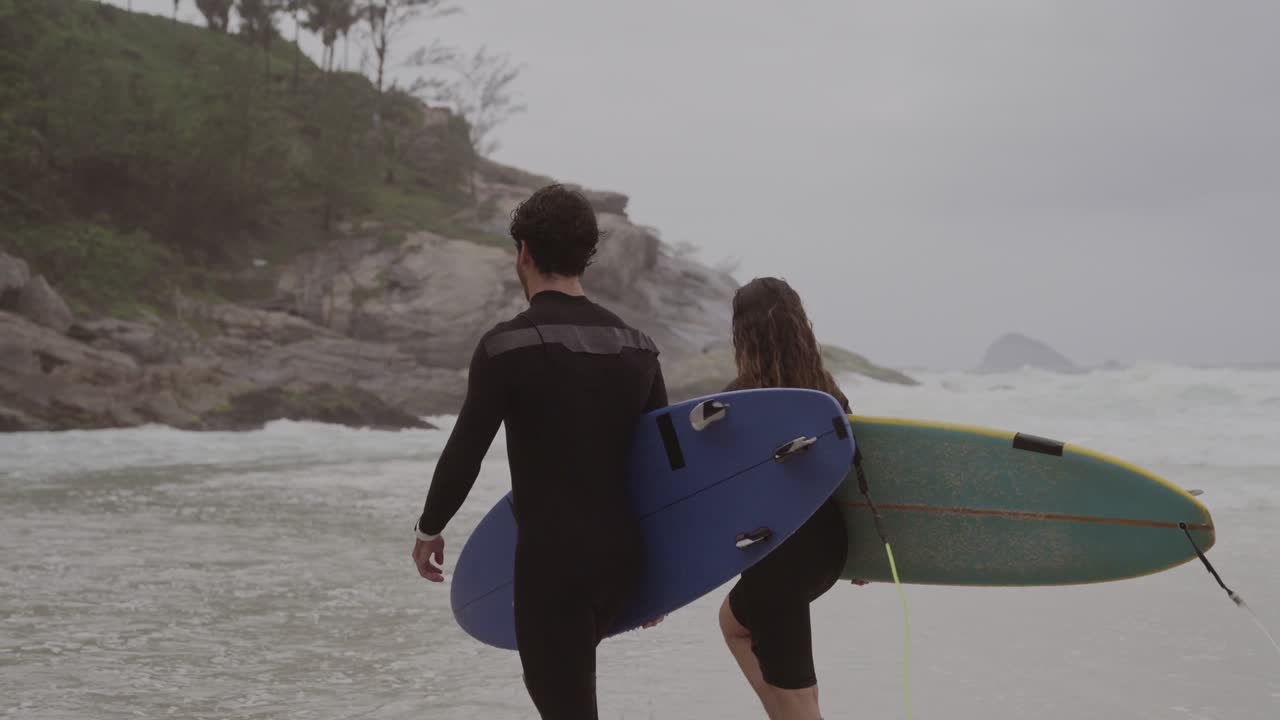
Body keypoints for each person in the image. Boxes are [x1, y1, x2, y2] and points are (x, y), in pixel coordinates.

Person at [411, 184, 669, 719]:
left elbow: (467, 450)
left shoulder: (507, 347)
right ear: (587, 255)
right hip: (624, 561)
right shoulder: (638, 346)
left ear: (524, 252)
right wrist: (667, 572)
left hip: (554, 567)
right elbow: (663, 462)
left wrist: (429, 528)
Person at [717, 276, 861, 720]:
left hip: (776, 553)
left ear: (743, 335)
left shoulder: (736, 404)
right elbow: (853, 478)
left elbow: (715, 494)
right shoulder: (830, 397)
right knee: (734, 624)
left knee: (800, 698)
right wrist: (865, 556)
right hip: (826, 553)